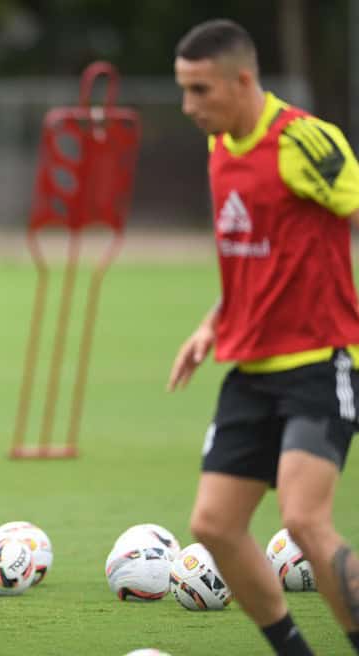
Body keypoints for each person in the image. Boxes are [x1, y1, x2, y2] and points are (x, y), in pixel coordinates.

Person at [169, 19, 359, 655]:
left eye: (200, 90)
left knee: (304, 519)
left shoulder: (303, 141)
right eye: (184, 90)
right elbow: (256, 259)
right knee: (213, 525)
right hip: (250, 369)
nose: (189, 106)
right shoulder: (219, 146)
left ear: (242, 79)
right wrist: (210, 324)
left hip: (319, 362)